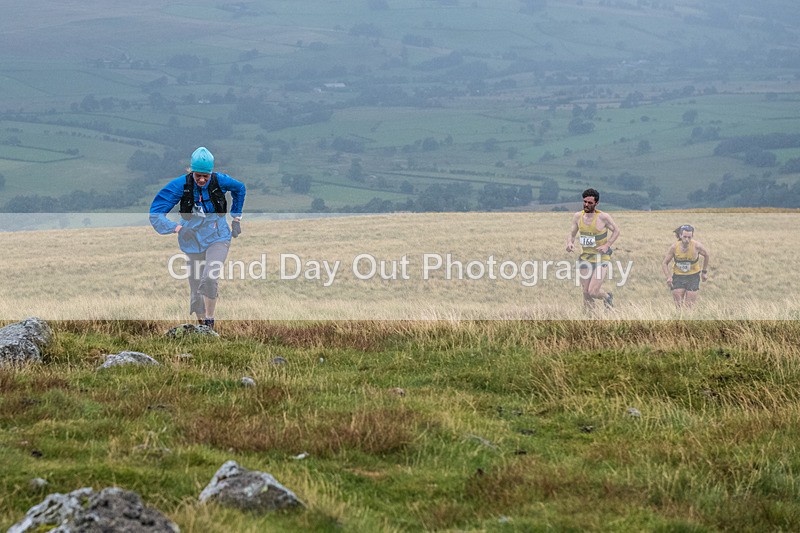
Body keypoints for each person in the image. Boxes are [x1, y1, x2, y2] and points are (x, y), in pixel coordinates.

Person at [149, 147, 246, 329]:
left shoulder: (220, 181)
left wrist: (236, 218)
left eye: (205, 176)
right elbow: (156, 214)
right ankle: (201, 328)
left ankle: (210, 321)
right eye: (197, 176)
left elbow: (240, 188)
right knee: (195, 287)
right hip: (191, 240)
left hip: (218, 236)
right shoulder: (180, 185)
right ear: (191, 171)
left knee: (209, 277)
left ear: (211, 173)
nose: (201, 180)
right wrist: (177, 228)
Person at [566, 188, 620, 311]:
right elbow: (572, 234)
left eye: (590, 203)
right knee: (585, 292)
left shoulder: (603, 217)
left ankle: (607, 297)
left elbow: (617, 231)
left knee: (593, 291)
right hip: (585, 258)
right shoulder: (578, 216)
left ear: (596, 203)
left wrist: (607, 245)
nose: (586, 204)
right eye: (585, 201)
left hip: (601, 258)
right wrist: (569, 243)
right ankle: (591, 319)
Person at [662, 224, 710, 308]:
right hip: (678, 276)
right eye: (685, 237)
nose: (687, 240)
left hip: (693, 276)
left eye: (689, 237)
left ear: (692, 236)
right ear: (680, 235)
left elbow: (707, 255)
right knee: (678, 306)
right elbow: (665, 263)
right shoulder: (674, 247)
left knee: (689, 307)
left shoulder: (697, 246)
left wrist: (704, 272)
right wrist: (668, 277)